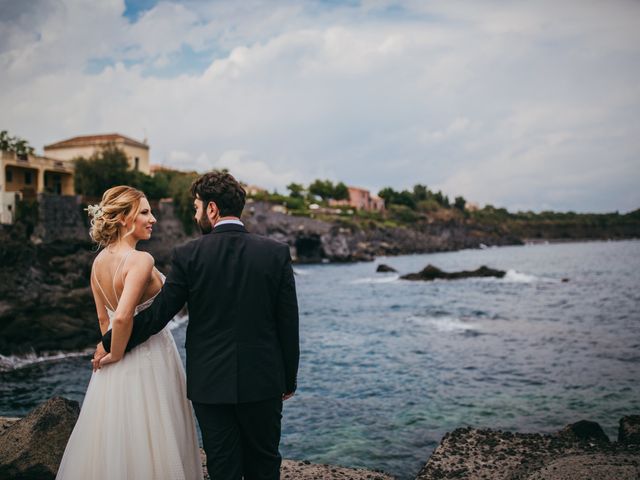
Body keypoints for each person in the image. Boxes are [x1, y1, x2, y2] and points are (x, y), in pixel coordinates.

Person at [94, 171, 300, 480]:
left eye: (196, 207)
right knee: (264, 461)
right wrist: (288, 379)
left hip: (210, 384)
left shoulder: (188, 255)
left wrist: (109, 342)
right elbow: (288, 323)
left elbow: (157, 315)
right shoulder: (276, 253)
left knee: (222, 465)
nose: (195, 213)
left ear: (212, 209)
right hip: (264, 380)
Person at [56, 186, 203, 480]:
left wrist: (111, 352)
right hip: (149, 355)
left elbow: (104, 318)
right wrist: (119, 351)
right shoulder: (140, 260)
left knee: (115, 436)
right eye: (145, 212)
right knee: (156, 430)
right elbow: (122, 316)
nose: (154, 219)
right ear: (124, 218)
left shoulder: (98, 263)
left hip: (113, 364)